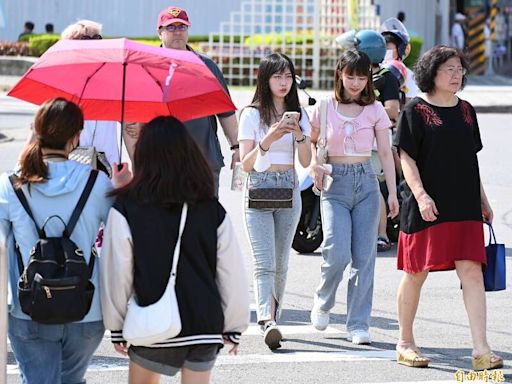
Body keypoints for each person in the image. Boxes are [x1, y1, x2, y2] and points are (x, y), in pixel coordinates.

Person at [101, 116, 249, 384]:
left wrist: (117, 326)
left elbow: (117, 272)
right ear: (188, 154)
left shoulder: (128, 208)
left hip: (151, 319)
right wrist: (234, 325)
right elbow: (231, 272)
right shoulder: (211, 209)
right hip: (203, 323)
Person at [393, 45, 503, 371]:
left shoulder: (467, 110)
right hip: (427, 205)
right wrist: (422, 196)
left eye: (460, 69)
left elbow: (469, 160)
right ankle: (405, 342)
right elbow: (406, 158)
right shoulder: (414, 110)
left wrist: (482, 199)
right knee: (416, 273)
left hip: (465, 203)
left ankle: (481, 350)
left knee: (471, 270)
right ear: (431, 73)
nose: (457, 75)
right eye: (449, 69)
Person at [0, 98, 114, 384]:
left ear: (37, 131)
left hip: (28, 309)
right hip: (86, 309)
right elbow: (120, 243)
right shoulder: (97, 183)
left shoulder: (12, 184)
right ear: (76, 136)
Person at [309, 49, 399, 345]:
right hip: (334, 183)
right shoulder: (324, 106)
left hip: (367, 182)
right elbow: (310, 143)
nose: (356, 82)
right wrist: (314, 163)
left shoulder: (374, 109)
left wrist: (394, 192)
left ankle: (358, 324)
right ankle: (323, 300)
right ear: (340, 74)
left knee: (364, 258)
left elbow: (385, 152)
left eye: (362, 77)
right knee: (336, 251)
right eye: (350, 76)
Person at [238, 53, 311, 350]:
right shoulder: (252, 114)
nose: (283, 83)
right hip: (259, 188)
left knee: (281, 264)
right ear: (265, 79)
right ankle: (266, 320)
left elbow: (305, 161)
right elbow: (245, 163)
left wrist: (300, 137)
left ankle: (274, 317)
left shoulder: (299, 113)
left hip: (289, 188)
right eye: (277, 77)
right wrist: (268, 138)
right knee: (264, 262)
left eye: (288, 76)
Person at [157, 6, 239, 196]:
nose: (177, 31)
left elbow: (225, 111)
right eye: (170, 27)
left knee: (205, 220)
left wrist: (236, 147)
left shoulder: (206, 66)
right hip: (162, 163)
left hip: (204, 161)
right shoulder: (148, 66)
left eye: (182, 27)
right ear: (159, 32)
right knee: (165, 221)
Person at [60, 20, 122, 169]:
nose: (93, 44)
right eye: (86, 39)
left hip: (108, 163)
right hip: (73, 163)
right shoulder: (62, 81)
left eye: (97, 38)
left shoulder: (112, 77)